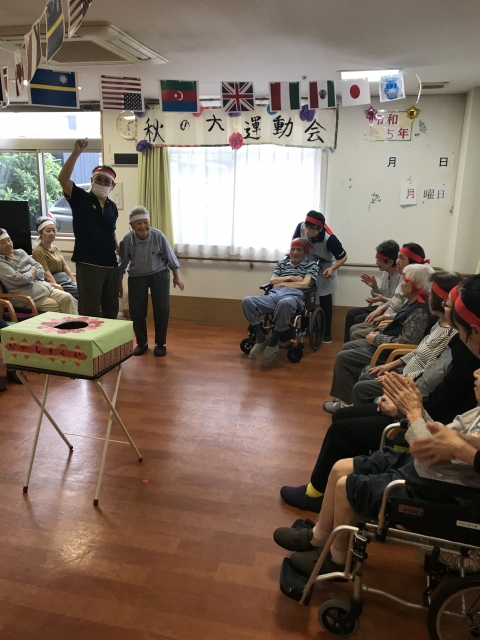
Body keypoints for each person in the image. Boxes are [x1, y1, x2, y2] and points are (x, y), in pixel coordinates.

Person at [279, 275, 480, 513]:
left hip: (421, 429)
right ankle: (340, 487)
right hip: (417, 409)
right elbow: (425, 368)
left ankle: (319, 493)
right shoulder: (457, 342)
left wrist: (405, 407)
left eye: (450, 305)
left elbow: (441, 415)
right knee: (342, 417)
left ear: (474, 330)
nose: (445, 307)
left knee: (342, 430)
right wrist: (404, 394)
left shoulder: (467, 360)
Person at [273, 367, 480, 578]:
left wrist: (413, 413)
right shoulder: (477, 412)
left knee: (346, 486)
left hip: (436, 490)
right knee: (340, 468)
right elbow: (441, 436)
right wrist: (418, 409)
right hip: (420, 469)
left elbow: (432, 455)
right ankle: (318, 537)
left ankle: (337, 561)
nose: (476, 373)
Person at [324, 263, 434, 412]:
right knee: (347, 347)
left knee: (343, 358)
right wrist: (378, 332)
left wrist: (376, 339)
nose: (401, 284)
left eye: (403, 281)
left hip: (389, 351)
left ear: (410, 286)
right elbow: (397, 324)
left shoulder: (420, 311)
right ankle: (347, 395)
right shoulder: (412, 301)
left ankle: (346, 405)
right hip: (385, 343)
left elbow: (407, 342)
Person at [351, 271, 461, 405]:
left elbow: (429, 372)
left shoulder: (450, 334)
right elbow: (417, 351)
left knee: (361, 388)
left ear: (442, 301)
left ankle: (366, 412)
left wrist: (400, 378)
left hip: (411, 380)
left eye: (431, 294)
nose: (428, 297)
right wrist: (390, 365)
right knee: (366, 376)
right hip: (406, 369)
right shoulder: (439, 324)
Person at [58, 138, 119, 318]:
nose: (102, 183)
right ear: (92, 180)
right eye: (99, 179)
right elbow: (63, 178)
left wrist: (117, 247)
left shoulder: (112, 207)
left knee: (111, 311)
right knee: (90, 312)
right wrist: (76, 152)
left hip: (110, 264)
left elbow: (110, 230)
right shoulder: (80, 198)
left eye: (107, 181)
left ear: (113, 186)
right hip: (89, 264)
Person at [118, 207, 185, 357]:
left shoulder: (158, 235)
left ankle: (160, 344)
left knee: (162, 309)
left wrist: (176, 275)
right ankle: (142, 343)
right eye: (138, 223)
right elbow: (122, 263)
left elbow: (170, 256)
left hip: (159, 274)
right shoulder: (127, 240)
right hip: (136, 277)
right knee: (136, 310)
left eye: (145, 222)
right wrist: (119, 282)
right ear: (131, 225)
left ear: (149, 222)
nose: (143, 226)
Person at [242, 239, 318, 362]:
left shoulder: (311, 265)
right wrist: (290, 278)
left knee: (284, 303)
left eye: (299, 249)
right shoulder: (282, 263)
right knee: (247, 301)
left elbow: (304, 284)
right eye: (293, 249)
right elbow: (272, 281)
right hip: (273, 296)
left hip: (294, 297)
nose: (295, 252)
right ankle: (261, 337)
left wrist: (282, 283)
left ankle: (275, 339)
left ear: (305, 252)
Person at [349, 242, 429, 341]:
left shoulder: (412, 283)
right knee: (353, 321)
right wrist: (375, 288)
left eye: (401, 258)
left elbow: (406, 312)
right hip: (387, 312)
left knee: (356, 329)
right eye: (398, 257)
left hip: (391, 321)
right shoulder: (401, 277)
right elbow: (395, 299)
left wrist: (385, 315)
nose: (397, 261)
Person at [293, 211, 347, 344]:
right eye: (307, 227)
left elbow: (343, 257)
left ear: (320, 228)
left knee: (324, 297)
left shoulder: (330, 239)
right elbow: (295, 244)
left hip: (326, 264)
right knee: (304, 292)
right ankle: (303, 326)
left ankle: (326, 333)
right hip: (308, 261)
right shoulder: (300, 227)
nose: (308, 231)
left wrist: (332, 268)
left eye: (312, 229)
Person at [0, 229, 77, 315]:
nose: (8, 244)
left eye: (9, 240)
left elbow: (40, 267)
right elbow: (19, 279)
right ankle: (68, 322)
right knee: (57, 306)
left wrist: (28, 275)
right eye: (3, 243)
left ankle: (76, 322)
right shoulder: (1, 262)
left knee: (68, 298)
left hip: (44, 287)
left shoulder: (21, 252)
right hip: (27, 297)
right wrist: (32, 271)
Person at [343, 240, 401, 342]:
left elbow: (398, 302)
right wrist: (374, 287)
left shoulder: (401, 276)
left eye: (379, 261)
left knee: (359, 319)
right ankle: (347, 344)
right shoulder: (386, 272)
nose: (377, 263)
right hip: (383, 307)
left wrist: (384, 299)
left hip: (391, 310)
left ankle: (359, 344)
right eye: (376, 259)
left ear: (390, 262)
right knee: (351, 313)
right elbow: (381, 295)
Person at [32, 217, 78, 299]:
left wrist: (74, 282)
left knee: (88, 289)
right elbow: (46, 274)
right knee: (85, 294)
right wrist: (58, 289)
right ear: (40, 232)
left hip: (67, 280)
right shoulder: (38, 252)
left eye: (54, 230)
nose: (52, 233)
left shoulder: (55, 248)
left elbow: (65, 267)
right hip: (57, 283)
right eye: (48, 231)